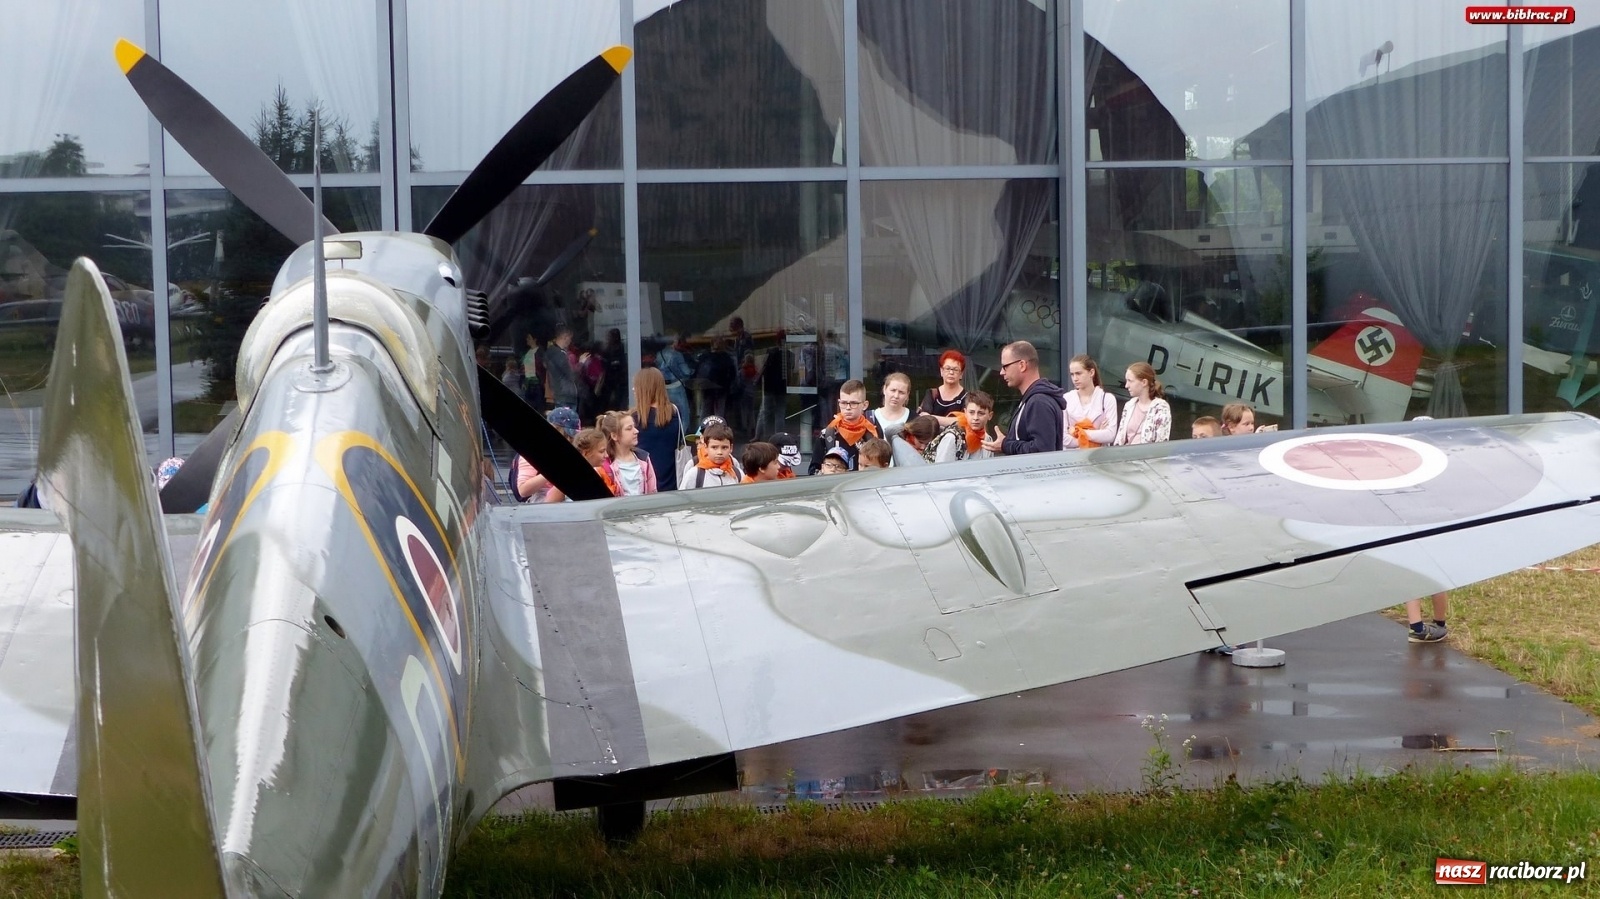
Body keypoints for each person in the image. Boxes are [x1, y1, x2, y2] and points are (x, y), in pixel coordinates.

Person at [982, 341, 1065, 456]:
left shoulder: (1039, 402)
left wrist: (1005, 445)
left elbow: (1042, 451)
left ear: (1022, 365)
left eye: (1005, 367)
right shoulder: (1035, 399)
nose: (1001, 372)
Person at [809, 379, 881, 473]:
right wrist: (826, 472)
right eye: (843, 403)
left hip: (863, 485)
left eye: (853, 403)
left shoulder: (872, 434)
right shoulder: (827, 434)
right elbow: (813, 470)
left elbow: (880, 468)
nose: (848, 408)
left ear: (864, 405)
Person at [631, 368, 683, 492]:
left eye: (636, 386)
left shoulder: (635, 418)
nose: (633, 389)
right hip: (672, 482)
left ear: (644, 388)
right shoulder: (675, 412)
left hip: (645, 484)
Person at [544, 428, 614, 502]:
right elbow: (549, 504)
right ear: (586, 453)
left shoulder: (600, 472)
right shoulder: (569, 476)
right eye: (602, 451)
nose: (606, 455)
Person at [597, 410, 657, 496]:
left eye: (634, 427)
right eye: (629, 428)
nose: (636, 431)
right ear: (614, 436)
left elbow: (653, 491)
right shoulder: (605, 465)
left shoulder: (644, 458)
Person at [1063, 354, 1117, 449]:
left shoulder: (1107, 399)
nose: (1075, 378)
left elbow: (1110, 434)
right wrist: (1098, 433)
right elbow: (1063, 438)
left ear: (1091, 372)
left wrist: (1077, 432)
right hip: (1072, 458)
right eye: (1072, 374)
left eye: (1079, 373)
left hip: (1099, 457)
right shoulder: (1066, 399)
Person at [1113, 362, 1173, 445]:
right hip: (1126, 456)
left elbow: (1161, 443)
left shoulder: (1161, 407)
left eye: (1130, 381)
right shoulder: (1129, 405)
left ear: (1144, 382)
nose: (1126, 385)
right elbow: (1120, 438)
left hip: (1146, 456)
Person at [682, 421, 743, 488]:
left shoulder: (738, 474)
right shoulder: (694, 474)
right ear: (706, 447)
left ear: (731, 448)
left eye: (724, 447)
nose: (719, 452)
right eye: (714, 447)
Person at [920, 350, 969, 426]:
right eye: (947, 368)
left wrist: (932, 418)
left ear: (961, 374)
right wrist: (951, 421)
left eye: (955, 369)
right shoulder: (932, 394)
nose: (951, 372)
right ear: (941, 371)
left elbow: (964, 422)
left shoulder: (967, 397)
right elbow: (923, 418)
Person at [655, 333, 696, 426]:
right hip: (676, 387)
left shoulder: (659, 354)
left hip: (664, 387)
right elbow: (686, 371)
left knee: (667, 414)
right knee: (684, 414)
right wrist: (692, 371)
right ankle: (682, 437)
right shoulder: (677, 355)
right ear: (674, 341)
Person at [757, 335, 792, 439]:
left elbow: (764, 367)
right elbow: (790, 371)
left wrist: (758, 379)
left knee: (764, 412)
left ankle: (761, 435)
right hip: (782, 386)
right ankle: (778, 436)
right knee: (780, 412)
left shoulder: (770, 352)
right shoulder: (789, 354)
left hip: (769, 386)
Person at [900, 413, 966, 463]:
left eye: (927, 444)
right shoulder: (900, 438)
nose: (923, 447)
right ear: (912, 433)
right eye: (921, 442)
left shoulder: (940, 441)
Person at [870, 372, 914, 441]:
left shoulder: (914, 419)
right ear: (884, 389)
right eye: (893, 390)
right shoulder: (869, 418)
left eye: (901, 392)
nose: (896, 396)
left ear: (907, 395)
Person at [545, 327, 580, 410]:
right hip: (565, 395)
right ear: (565, 337)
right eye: (570, 338)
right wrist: (581, 363)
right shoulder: (559, 354)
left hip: (561, 393)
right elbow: (571, 374)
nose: (570, 341)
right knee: (567, 421)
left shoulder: (553, 352)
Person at [954, 391, 996, 461]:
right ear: (965, 413)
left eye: (981, 413)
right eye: (971, 413)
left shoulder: (988, 440)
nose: (975, 418)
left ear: (990, 415)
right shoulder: (953, 438)